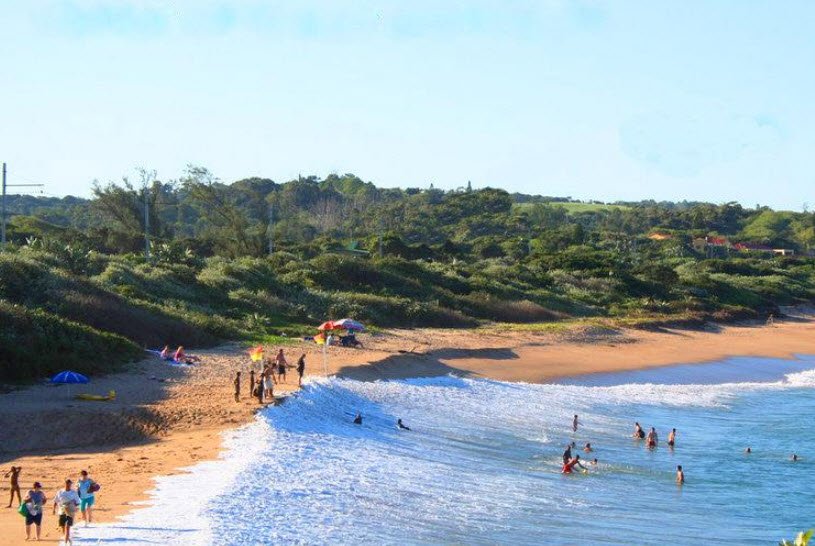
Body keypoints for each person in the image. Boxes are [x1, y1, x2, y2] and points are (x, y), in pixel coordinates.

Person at [53, 479, 80, 545]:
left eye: (69, 484)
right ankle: (68, 539)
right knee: (63, 527)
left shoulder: (74, 492)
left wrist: (73, 504)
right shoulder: (60, 492)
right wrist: (53, 509)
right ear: (65, 484)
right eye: (67, 484)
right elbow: (56, 501)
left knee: (67, 527)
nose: (68, 485)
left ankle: (65, 543)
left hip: (70, 512)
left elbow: (78, 503)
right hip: (61, 511)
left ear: (71, 484)